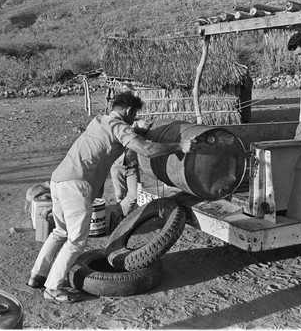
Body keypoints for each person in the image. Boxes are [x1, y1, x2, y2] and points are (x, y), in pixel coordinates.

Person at [27, 91, 197, 303]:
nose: (134, 118)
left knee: (60, 232)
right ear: (128, 110)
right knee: (77, 241)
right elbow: (146, 150)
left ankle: (37, 275)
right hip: (76, 185)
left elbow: (118, 134)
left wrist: (136, 129)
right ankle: (52, 288)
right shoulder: (119, 127)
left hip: (59, 179)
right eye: (134, 115)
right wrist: (179, 146)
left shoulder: (99, 120)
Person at [110, 148, 140, 218]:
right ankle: (121, 221)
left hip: (132, 166)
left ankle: (117, 214)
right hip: (117, 166)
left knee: (134, 195)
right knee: (120, 195)